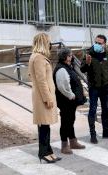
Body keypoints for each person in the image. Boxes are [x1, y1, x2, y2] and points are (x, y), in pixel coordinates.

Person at [28, 33, 61, 163]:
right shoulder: (39, 58)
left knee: (45, 125)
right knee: (44, 126)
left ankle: (48, 151)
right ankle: (43, 152)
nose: (50, 44)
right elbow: (41, 81)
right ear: (43, 42)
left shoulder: (37, 57)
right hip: (43, 98)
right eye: (48, 42)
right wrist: (47, 98)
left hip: (42, 96)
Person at [80, 34, 108, 144]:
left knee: (105, 109)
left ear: (105, 44)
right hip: (94, 87)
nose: (97, 45)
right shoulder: (89, 53)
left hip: (105, 86)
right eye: (96, 42)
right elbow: (82, 69)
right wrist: (87, 63)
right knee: (93, 110)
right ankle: (93, 134)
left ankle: (106, 132)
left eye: (99, 43)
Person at [54, 48, 86, 154]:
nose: (71, 57)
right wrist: (71, 95)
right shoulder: (62, 69)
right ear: (65, 57)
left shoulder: (68, 67)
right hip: (66, 101)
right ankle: (64, 145)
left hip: (70, 101)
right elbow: (62, 86)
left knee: (70, 121)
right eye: (70, 55)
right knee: (65, 122)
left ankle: (73, 141)